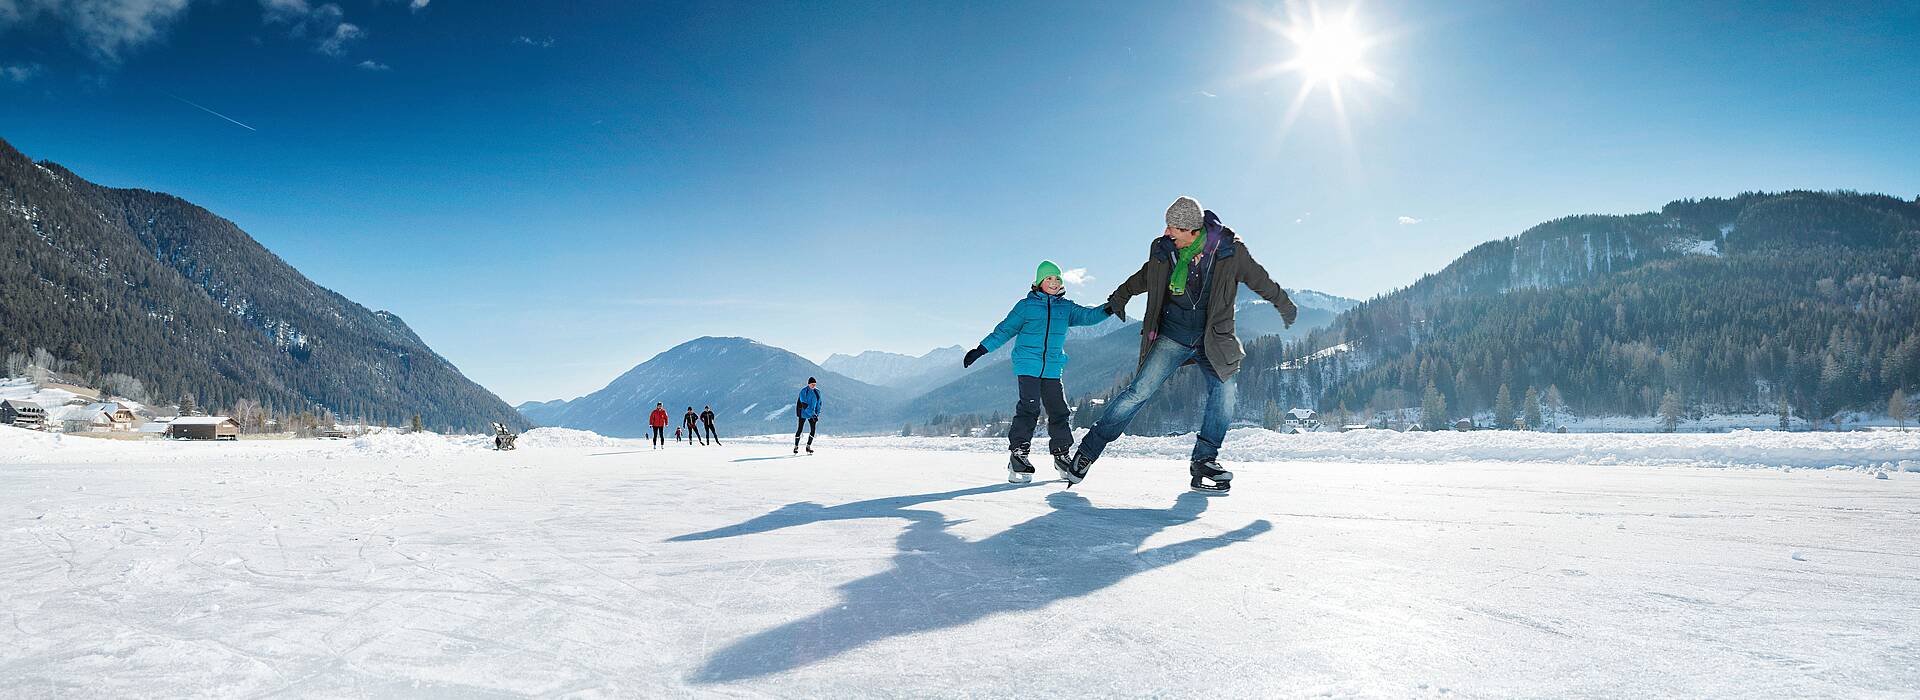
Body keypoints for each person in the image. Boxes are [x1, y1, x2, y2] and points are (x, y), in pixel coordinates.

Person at [1062, 196, 1296, 493]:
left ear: (1193, 231)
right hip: (1173, 335)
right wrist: (1119, 298)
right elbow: (1141, 279)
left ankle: (1204, 460)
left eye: (1173, 227)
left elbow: (1259, 278)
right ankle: (1087, 452)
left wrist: (1284, 304)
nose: (1167, 231)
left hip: (1213, 338)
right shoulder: (1165, 253)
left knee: (1224, 395)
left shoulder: (1230, 252)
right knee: (1138, 392)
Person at [962, 260, 1113, 483]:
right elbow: (1004, 330)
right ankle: (1019, 455)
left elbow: (1090, 317)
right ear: (1039, 282)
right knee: (1029, 408)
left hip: (1052, 367)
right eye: (1049, 278)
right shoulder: (1026, 306)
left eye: (1057, 278)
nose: (1053, 282)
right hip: (1027, 365)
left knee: (1059, 410)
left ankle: (1061, 454)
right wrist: (980, 349)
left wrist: (1112, 307)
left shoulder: (1067, 308)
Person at [794, 377, 822, 454]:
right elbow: (804, 404)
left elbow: (819, 404)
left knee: (813, 430)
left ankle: (808, 446)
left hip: (812, 414)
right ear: (808, 384)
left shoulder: (817, 392)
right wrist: (812, 414)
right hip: (803, 413)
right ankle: (796, 446)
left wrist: (817, 414)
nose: (813, 386)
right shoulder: (803, 391)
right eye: (812, 384)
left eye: (815, 384)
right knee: (800, 429)